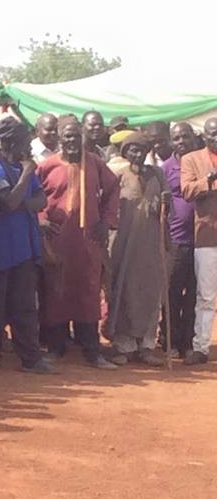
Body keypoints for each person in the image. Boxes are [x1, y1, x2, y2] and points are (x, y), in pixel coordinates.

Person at [37, 117, 120, 369]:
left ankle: (92, 351)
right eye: (67, 136)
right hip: (57, 240)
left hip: (87, 241)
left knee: (88, 291)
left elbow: (113, 190)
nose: (72, 141)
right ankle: (56, 347)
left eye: (76, 136)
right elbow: (33, 195)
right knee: (56, 292)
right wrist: (40, 219)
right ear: (60, 138)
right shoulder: (47, 166)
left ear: (82, 137)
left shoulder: (95, 163)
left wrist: (106, 221)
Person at [0, 118, 53, 373]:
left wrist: (19, 197)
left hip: (23, 247)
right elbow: (8, 202)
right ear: (11, 141)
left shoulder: (17, 167)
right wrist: (25, 176)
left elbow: (41, 200)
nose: (28, 146)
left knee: (25, 307)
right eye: (24, 141)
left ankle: (31, 359)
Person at [105, 132, 168, 366]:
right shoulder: (117, 175)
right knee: (123, 290)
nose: (137, 154)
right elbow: (108, 207)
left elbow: (165, 200)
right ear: (125, 152)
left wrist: (165, 203)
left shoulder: (157, 174)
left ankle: (146, 345)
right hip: (123, 244)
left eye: (141, 150)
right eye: (132, 150)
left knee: (150, 292)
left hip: (150, 244)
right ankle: (124, 345)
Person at [180, 117, 217, 365]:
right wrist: (210, 180)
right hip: (207, 236)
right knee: (206, 296)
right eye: (213, 133)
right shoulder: (191, 159)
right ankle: (201, 347)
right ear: (204, 136)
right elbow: (187, 190)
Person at [162, 122, 198, 361]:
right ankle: (169, 341)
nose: (181, 142)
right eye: (176, 138)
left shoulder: (203, 161)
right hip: (174, 240)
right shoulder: (165, 167)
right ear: (171, 142)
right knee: (172, 292)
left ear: (193, 139)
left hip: (203, 239)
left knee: (195, 293)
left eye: (185, 137)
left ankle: (188, 342)